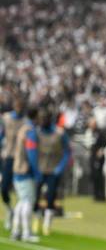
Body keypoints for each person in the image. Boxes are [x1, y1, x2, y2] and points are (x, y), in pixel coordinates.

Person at [33, 108, 71, 236]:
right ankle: (37, 219)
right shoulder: (37, 132)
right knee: (35, 196)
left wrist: (60, 167)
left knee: (51, 197)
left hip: (53, 169)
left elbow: (67, 151)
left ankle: (47, 224)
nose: (42, 121)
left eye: (45, 119)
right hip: (40, 168)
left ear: (50, 119)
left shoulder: (60, 133)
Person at [10, 107, 41, 242]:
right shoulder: (30, 131)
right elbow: (31, 152)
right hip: (25, 169)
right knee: (28, 200)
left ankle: (16, 230)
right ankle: (26, 233)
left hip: (17, 167)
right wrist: (36, 171)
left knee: (22, 201)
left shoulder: (22, 128)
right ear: (36, 117)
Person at [1, 97, 25, 230]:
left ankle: (18, 217)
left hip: (21, 159)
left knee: (21, 190)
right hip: (9, 157)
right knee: (4, 188)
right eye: (17, 106)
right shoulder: (6, 118)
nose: (18, 109)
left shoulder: (25, 122)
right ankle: (10, 210)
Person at [88, 118, 106, 202]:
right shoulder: (91, 133)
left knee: (99, 176)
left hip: (98, 158)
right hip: (93, 157)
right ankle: (96, 195)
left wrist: (101, 150)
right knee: (94, 176)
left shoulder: (100, 132)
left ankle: (102, 196)